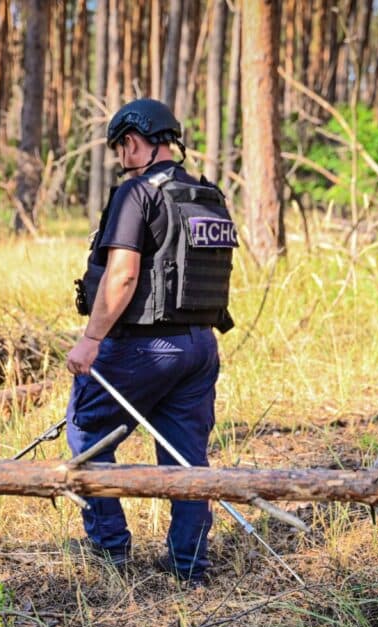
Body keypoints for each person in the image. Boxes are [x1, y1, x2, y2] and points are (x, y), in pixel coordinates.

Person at [65, 98, 238, 587]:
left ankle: (110, 550)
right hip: (200, 347)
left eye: (121, 148)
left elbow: (122, 275)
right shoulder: (206, 195)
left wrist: (91, 338)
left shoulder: (137, 194)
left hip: (143, 347)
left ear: (133, 141)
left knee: (88, 432)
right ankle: (188, 566)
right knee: (186, 459)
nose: (121, 158)